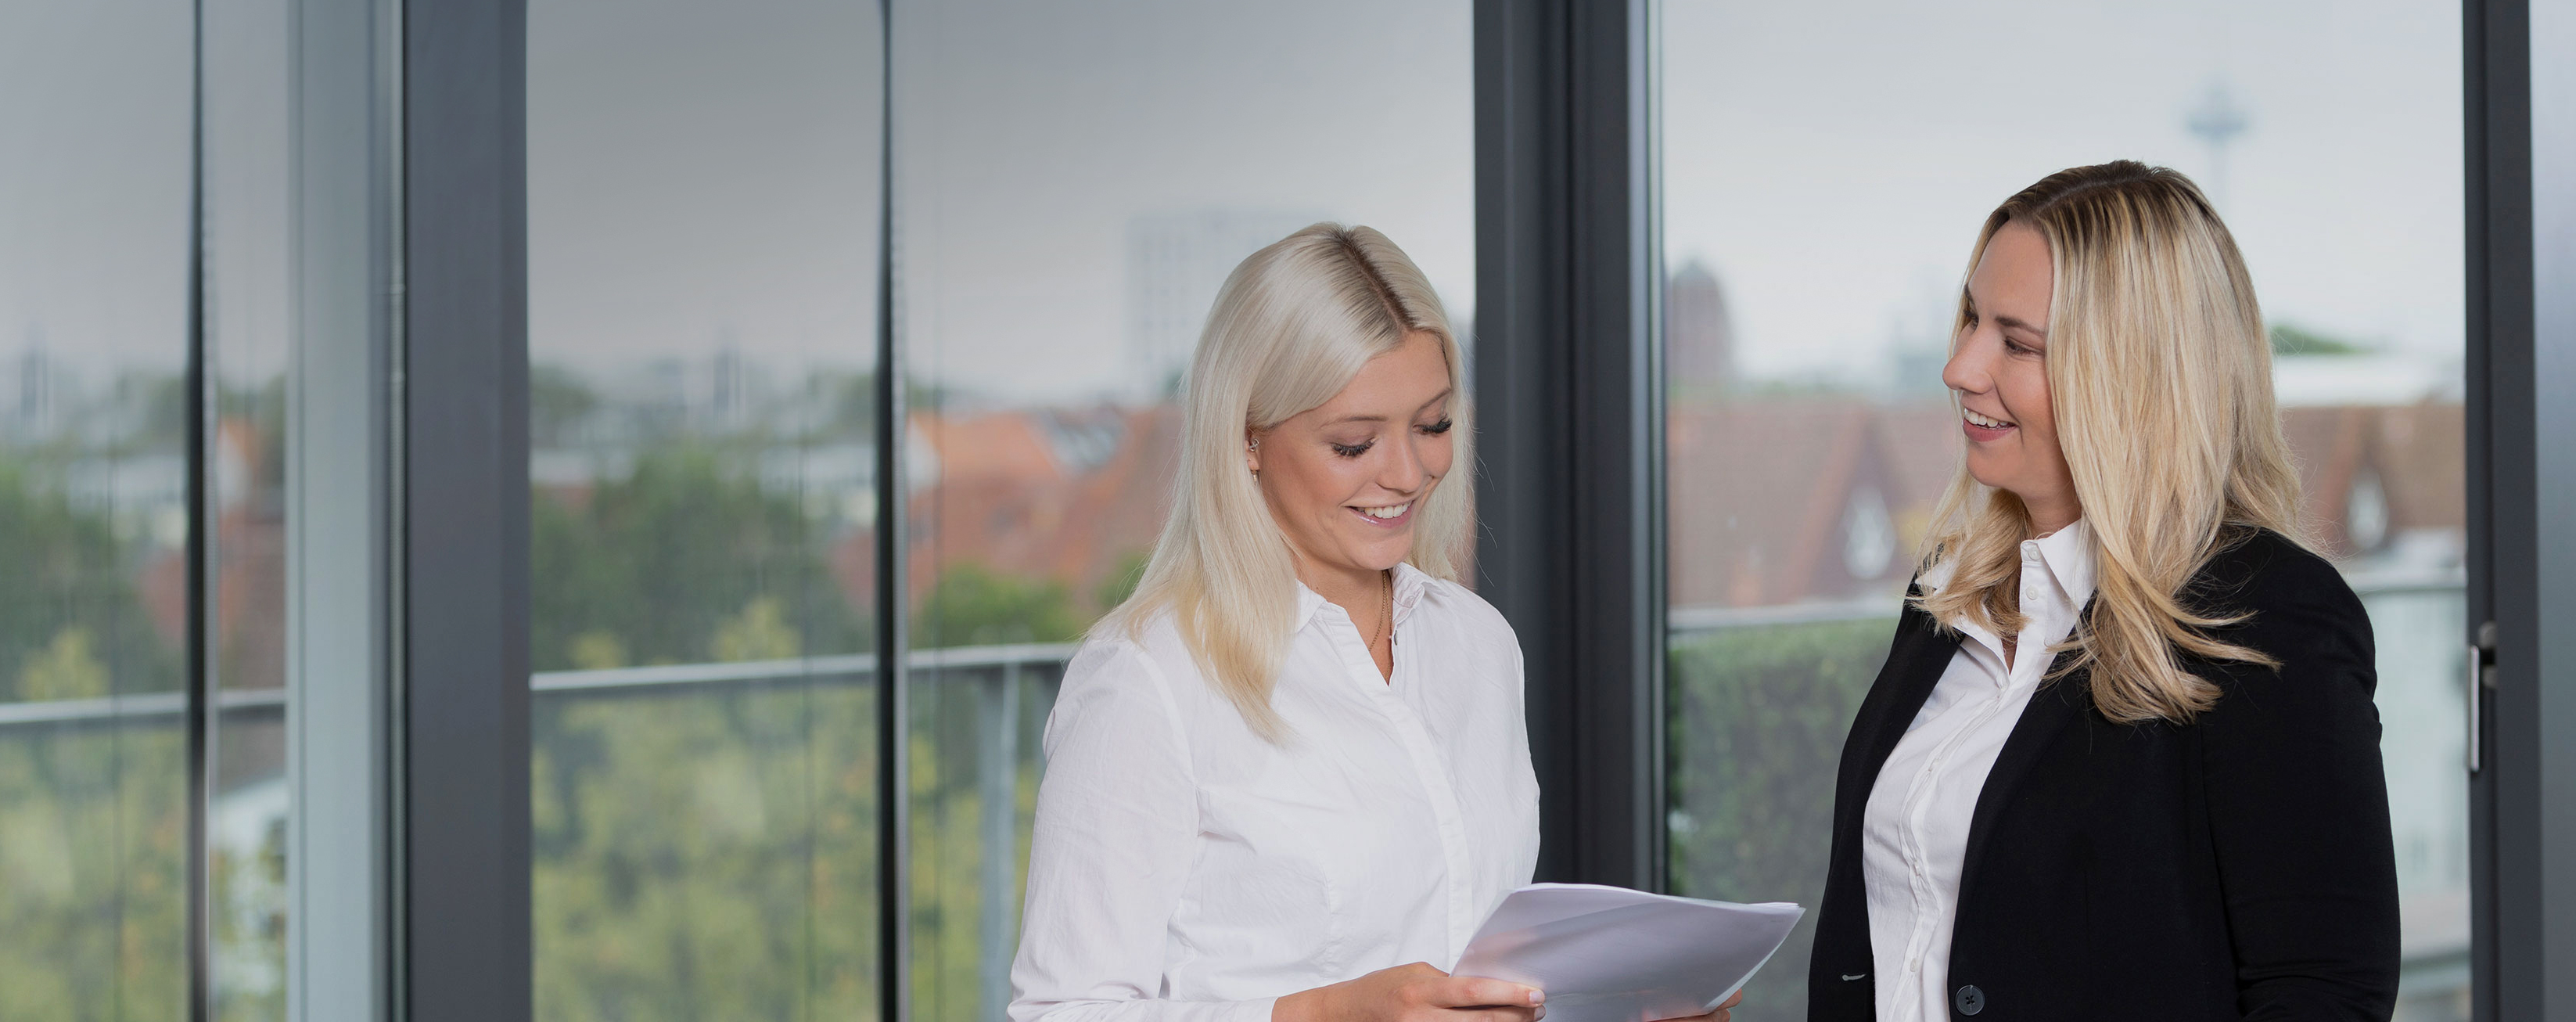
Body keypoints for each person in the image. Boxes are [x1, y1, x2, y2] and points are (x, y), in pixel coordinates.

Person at [1011, 223, 1735, 1022]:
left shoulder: (1478, 644)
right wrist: (1324, 1016)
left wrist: (1622, 1010)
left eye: (1433, 425)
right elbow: (1061, 1011)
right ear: (1247, 439)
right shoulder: (1148, 678)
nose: (1408, 473)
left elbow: (1485, 981)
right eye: (1354, 444)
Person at [1806, 163, 2399, 1021]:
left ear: (2133, 376)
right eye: (1971, 317)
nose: (1959, 366)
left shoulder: (2268, 615)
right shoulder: (1948, 590)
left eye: (2017, 343)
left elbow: (2324, 992)